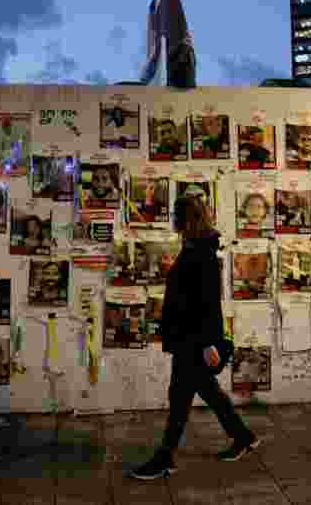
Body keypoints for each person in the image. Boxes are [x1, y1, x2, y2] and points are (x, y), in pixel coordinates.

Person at [130, 195, 258, 480]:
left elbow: (208, 304)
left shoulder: (202, 255)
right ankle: (243, 437)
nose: (173, 220)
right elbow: (189, 293)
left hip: (193, 340)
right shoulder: (194, 249)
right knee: (206, 392)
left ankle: (165, 457)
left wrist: (208, 343)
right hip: (188, 338)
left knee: (179, 398)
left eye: (176, 215)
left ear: (186, 219)